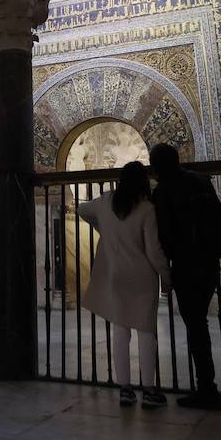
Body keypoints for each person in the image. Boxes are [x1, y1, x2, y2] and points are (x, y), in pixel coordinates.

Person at [78, 161, 171, 409]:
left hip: (115, 276)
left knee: (120, 331)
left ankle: (125, 390)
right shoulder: (147, 209)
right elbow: (154, 250)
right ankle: (149, 391)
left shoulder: (106, 202)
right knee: (146, 333)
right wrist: (166, 277)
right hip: (141, 277)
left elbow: (81, 209)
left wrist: (103, 229)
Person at [150, 143, 221, 411]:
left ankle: (207, 389)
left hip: (187, 265)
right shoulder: (201, 180)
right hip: (210, 263)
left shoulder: (163, 191)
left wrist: (165, 266)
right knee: (199, 323)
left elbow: (166, 235)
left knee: (195, 326)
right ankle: (207, 387)